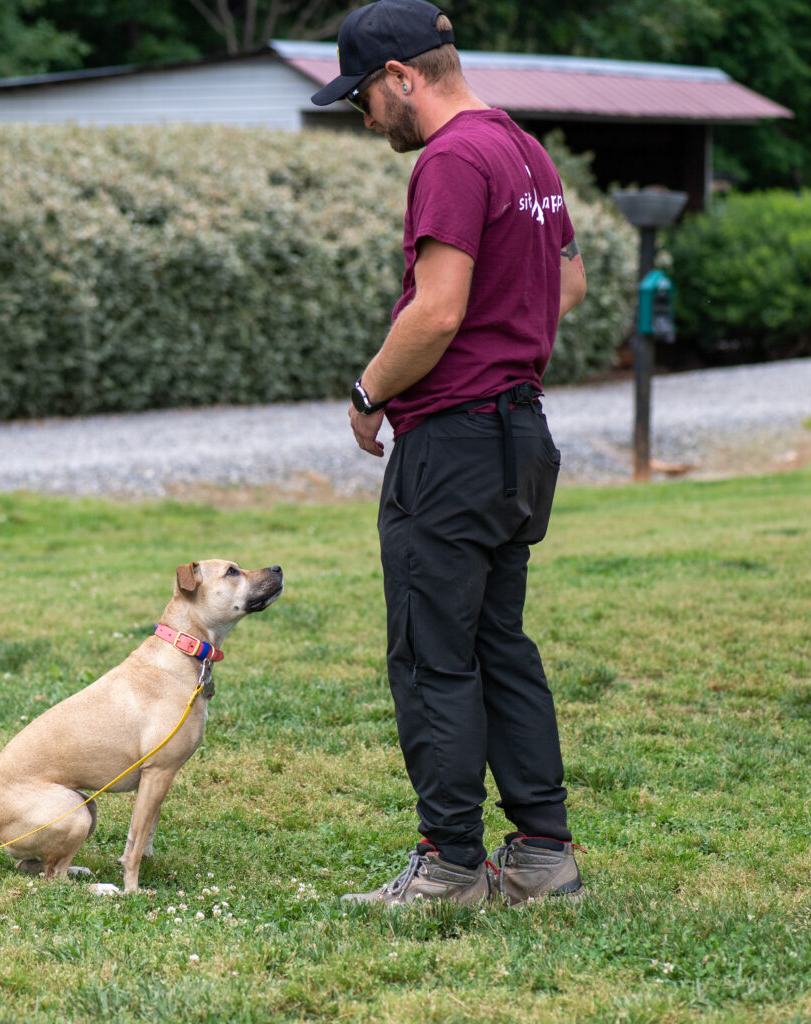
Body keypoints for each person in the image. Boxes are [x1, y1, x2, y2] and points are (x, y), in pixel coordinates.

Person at [310, 0, 589, 906]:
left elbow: (434, 310)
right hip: (520, 441)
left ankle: (449, 869)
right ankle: (543, 858)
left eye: (363, 97)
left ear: (403, 78)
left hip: (455, 445)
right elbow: (570, 281)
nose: (364, 119)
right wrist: (504, 340)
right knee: (498, 644)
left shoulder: (451, 157)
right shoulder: (522, 148)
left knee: (433, 654)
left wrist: (369, 392)